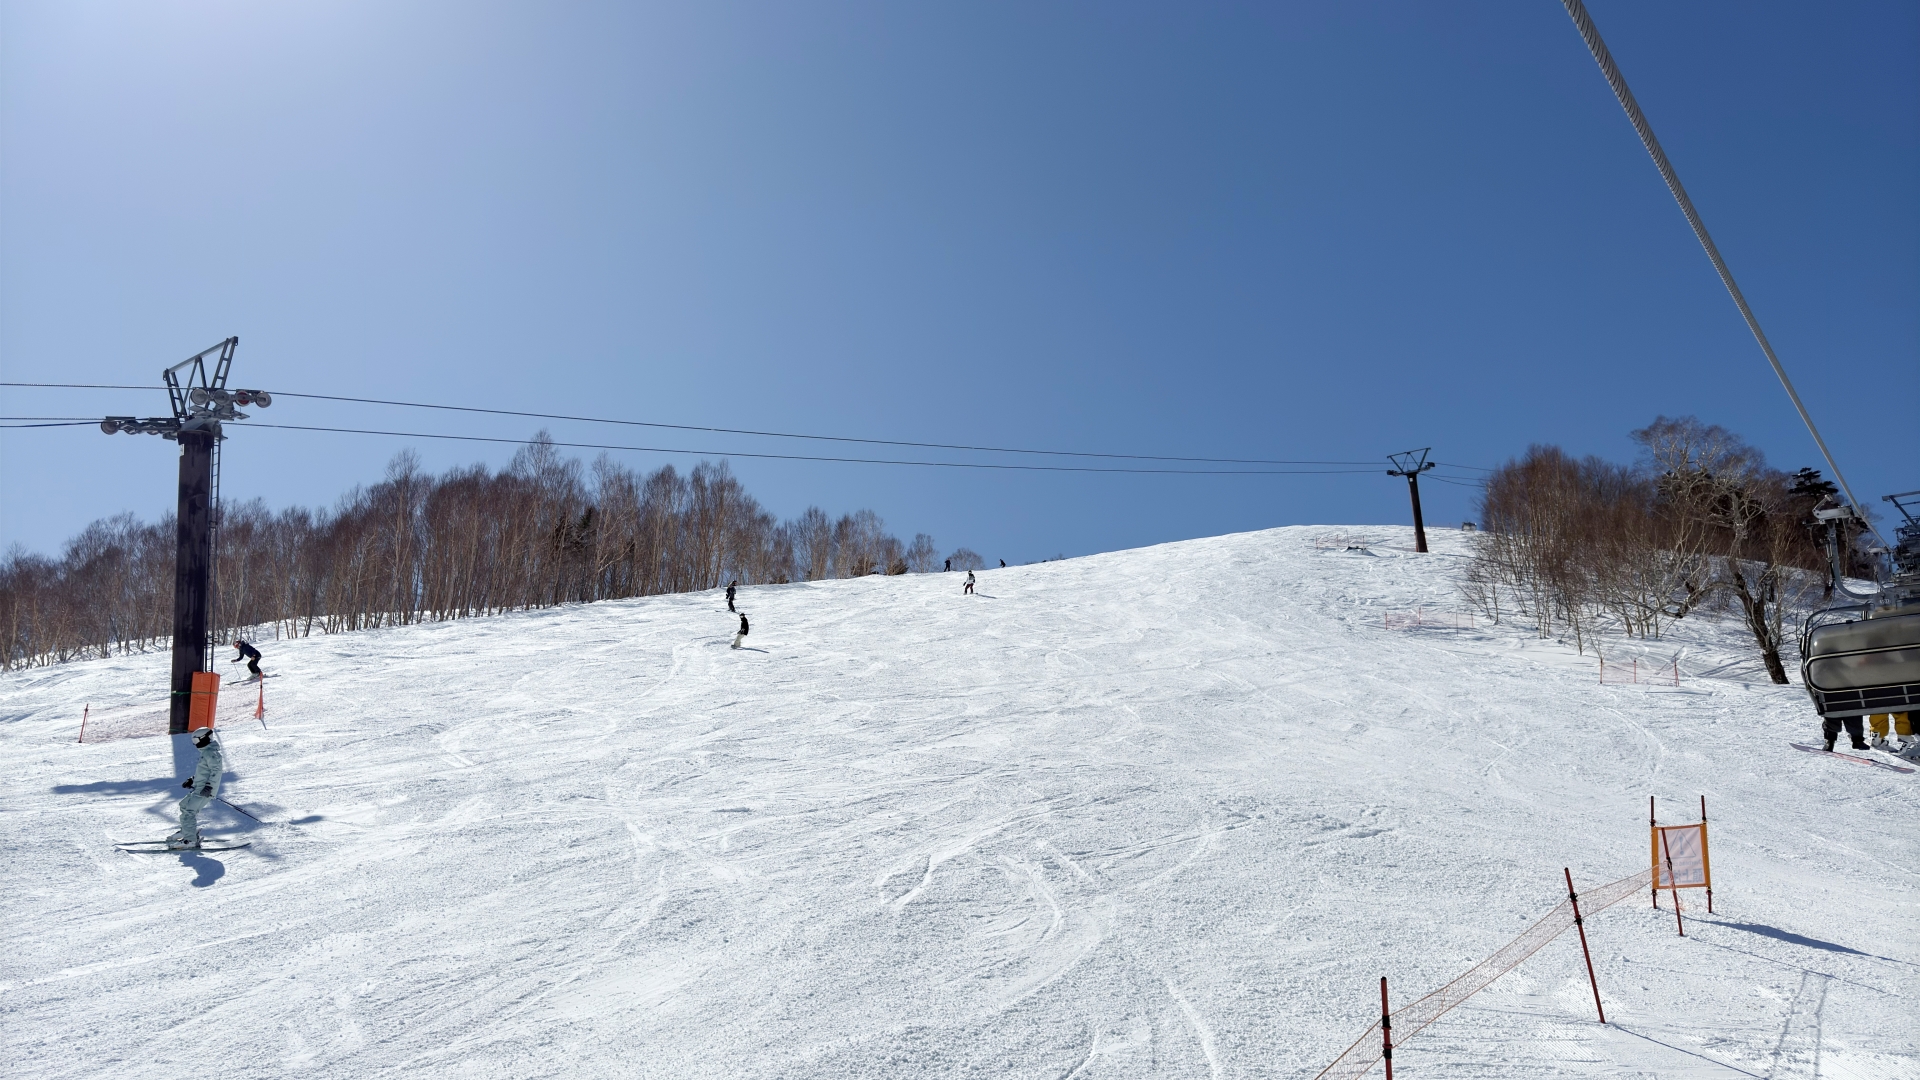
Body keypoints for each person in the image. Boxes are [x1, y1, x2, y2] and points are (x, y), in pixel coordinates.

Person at [169, 726, 224, 850]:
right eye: (193, 741)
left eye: (196, 740)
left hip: (205, 790)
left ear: (204, 738)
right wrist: (192, 780)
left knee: (190, 811)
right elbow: (204, 772)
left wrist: (209, 787)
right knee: (184, 805)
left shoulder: (211, 754)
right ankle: (187, 831)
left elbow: (216, 771)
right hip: (200, 788)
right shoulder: (206, 752)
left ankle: (190, 840)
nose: (195, 744)